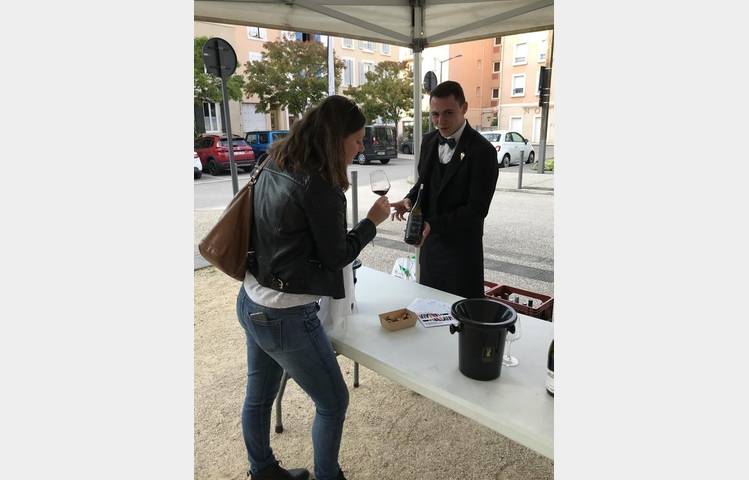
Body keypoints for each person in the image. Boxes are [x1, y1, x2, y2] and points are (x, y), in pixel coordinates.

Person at [235, 95, 391, 480]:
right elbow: (338, 255)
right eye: (356, 140)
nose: (360, 147)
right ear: (336, 138)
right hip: (285, 313)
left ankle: (263, 471)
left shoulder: (274, 160)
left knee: (259, 396)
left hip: (251, 297)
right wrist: (371, 221)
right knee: (334, 401)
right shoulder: (320, 185)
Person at [391, 81, 499, 298]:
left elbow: (477, 209)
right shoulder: (429, 141)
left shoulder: (482, 151)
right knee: (428, 306)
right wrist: (408, 199)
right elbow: (424, 183)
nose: (440, 121)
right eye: (435, 114)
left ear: (464, 108)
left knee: (459, 318)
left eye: (448, 113)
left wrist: (433, 224)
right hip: (430, 249)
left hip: (462, 253)